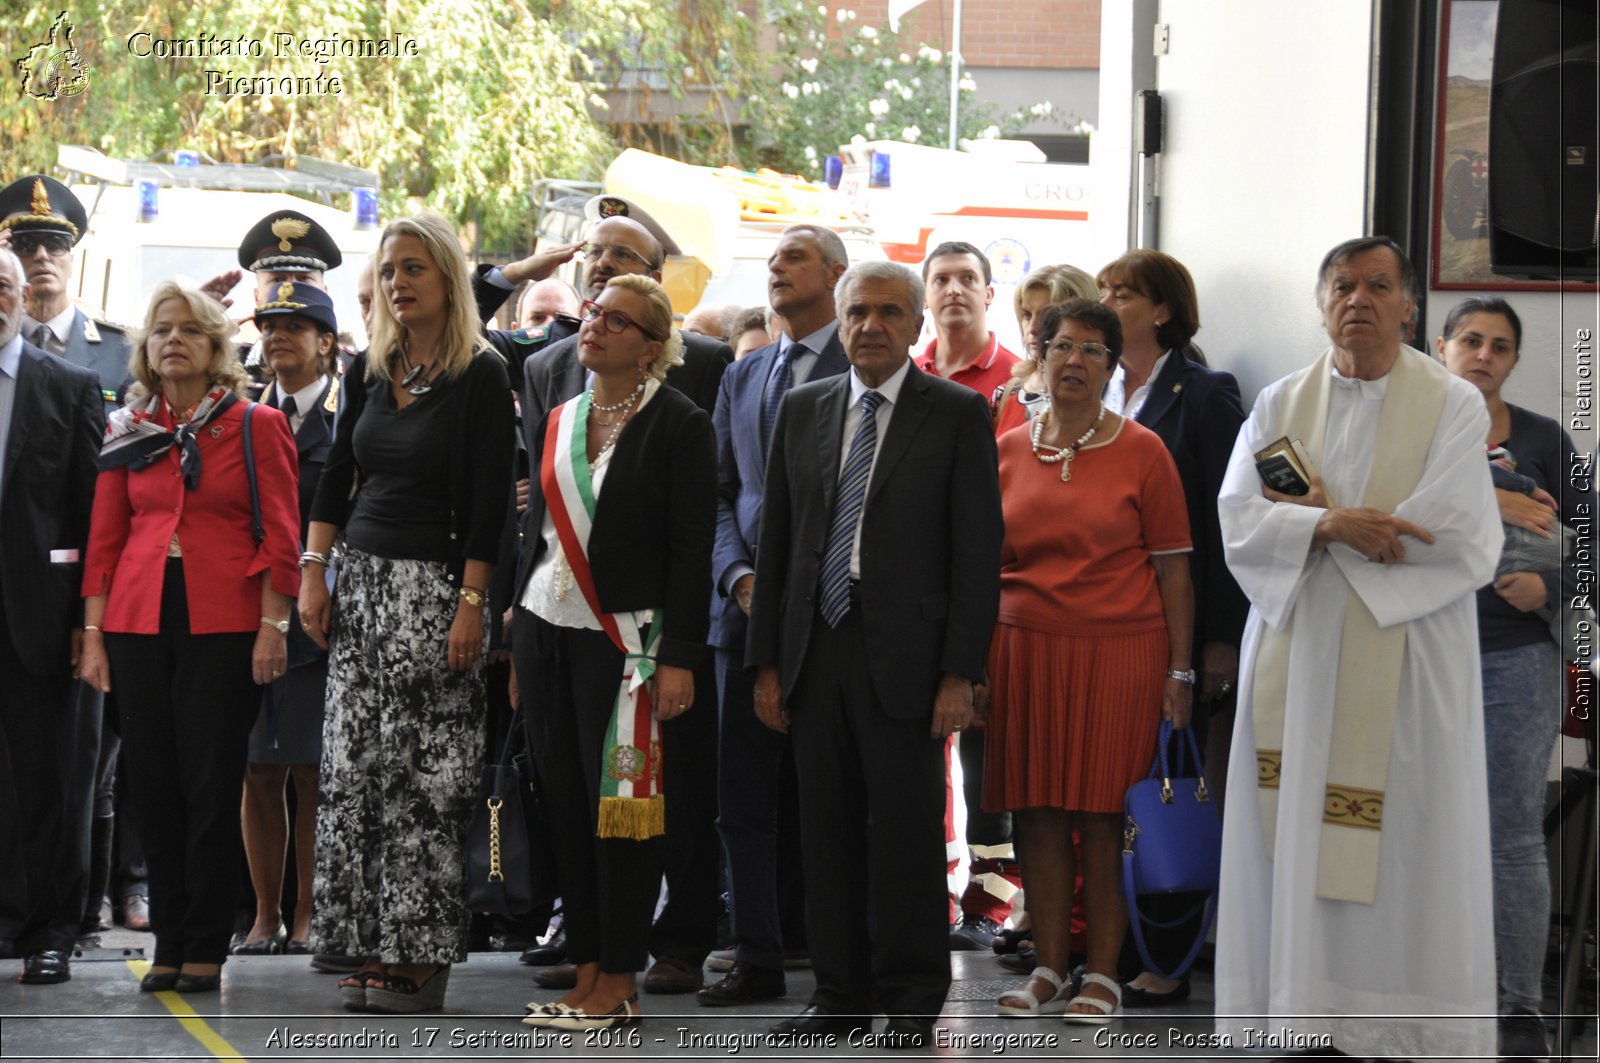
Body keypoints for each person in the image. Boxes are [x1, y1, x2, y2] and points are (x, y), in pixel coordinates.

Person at [1214, 237, 1501, 1060]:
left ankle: (1398, 1018)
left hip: (1403, 650)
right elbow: (1239, 517)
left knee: (1406, 835)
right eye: (1343, 285)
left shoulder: (1451, 404)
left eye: (1379, 285)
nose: (1359, 300)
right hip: (1298, 651)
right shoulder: (1277, 403)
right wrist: (1334, 523)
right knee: (1295, 828)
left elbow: (1454, 534)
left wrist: (1314, 529)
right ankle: (1300, 1006)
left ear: (1409, 304)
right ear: (1321, 301)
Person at [749, 260, 1003, 1048]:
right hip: (816, 647)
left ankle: (911, 999)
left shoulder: (957, 412)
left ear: (916, 325)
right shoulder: (804, 407)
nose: (870, 326)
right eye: (858, 311)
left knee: (904, 835)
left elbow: (977, 550)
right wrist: (768, 664)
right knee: (824, 834)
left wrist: (961, 671)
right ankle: (839, 996)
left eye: (890, 312)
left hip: (912, 656)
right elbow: (781, 542)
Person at [507, 194, 730, 993]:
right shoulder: (562, 411)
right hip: (544, 628)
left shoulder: (678, 421)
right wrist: (514, 632)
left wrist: (678, 657)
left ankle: (623, 975)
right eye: (592, 312)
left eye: (615, 319)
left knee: (623, 811)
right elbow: (533, 530)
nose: (593, 324)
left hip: (627, 641)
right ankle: (591, 961)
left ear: (653, 344)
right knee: (563, 798)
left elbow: (688, 549)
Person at [298, 212, 514, 1014]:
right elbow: (334, 477)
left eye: (414, 268)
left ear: (448, 277)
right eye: (389, 269)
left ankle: (418, 958)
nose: (398, 282)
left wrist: (470, 603)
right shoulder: (371, 365)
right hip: (358, 586)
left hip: (436, 591)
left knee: (426, 780)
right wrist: (314, 572)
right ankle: (363, 941)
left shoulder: (481, 374)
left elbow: (492, 504)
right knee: (355, 775)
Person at [77, 281, 302, 995]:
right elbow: (105, 536)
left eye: (189, 331)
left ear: (216, 349)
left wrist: (274, 625)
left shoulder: (253, 423)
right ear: (145, 349)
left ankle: (206, 940)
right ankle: (168, 941)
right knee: (153, 785)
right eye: (160, 330)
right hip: (138, 622)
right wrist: (92, 633)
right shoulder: (129, 428)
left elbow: (283, 535)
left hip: (225, 622)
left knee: (210, 785)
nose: (171, 340)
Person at [984, 298, 1193, 1023]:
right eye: (1062, 345)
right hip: (1024, 650)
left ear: (1113, 366)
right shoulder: (1007, 445)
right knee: (1036, 813)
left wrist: (1181, 673)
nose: (1075, 360)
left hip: (1121, 655)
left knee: (1105, 818)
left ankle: (1102, 972)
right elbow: (984, 566)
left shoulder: (1144, 450)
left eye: (1094, 350)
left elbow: (1175, 573)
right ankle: (1049, 964)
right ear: (1039, 354)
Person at [701, 224, 849, 1008]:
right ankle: (755, 952)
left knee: (830, 798)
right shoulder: (747, 372)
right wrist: (735, 573)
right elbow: (722, 492)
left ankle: (836, 963)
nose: (777, 268)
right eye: (773, 260)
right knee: (743, 802)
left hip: (835, 620)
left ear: (835, 272)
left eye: (794, 255)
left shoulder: (867, 365)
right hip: (747, 617)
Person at [1095, 249, 1248, 1005]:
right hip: (1105, 625)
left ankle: (1170, 950)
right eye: (1104, 291)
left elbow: (1227, 523)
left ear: (1161, 311)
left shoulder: (1205, 392)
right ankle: (1107, 947)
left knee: (1171, 782)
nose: (1109, 301)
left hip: (1179, 628)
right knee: (1113, 787)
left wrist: (1219, 636)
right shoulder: (1101, 388)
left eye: (1124, 294)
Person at [1437, 296, 1586, 1062]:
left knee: (1512, 838)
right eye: (1470, 339)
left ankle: (1516, 1007)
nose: (1483, 354)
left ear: (1514, 361)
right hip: (1419, 652)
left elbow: (1591, 547)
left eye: (1499, 344)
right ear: (1441, 345)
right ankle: (1424, 989)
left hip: (1515, 657)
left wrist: (1550, 591)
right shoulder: (1416, 432)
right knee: (1422, 827)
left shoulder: (1544, 439)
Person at [0, 248, 104, 984]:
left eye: (0, 285)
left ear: (19, 297)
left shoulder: (68, 385)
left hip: (39, 617)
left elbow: (92, 513)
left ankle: (52, 929)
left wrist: (87, 620)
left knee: (52, 779)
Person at [915, 241, 1022, 951]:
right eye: (941, 280)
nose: (954, 290)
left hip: (990, 590)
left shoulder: (1016, 380)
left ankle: (991, 903)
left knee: (988, 764)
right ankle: (931, 891)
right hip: (912, 594)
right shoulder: (906, 370)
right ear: (926, 296)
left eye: (967, 279)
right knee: (922, 755)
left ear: (989, 294)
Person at [234, 284, 341, 957]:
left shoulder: (348, 412)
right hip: (256, 609)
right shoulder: (244, 415)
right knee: (258, 769)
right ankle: (264, 915)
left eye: (295, 325)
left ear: (326, 341)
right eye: (269, 325)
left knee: (312, 770)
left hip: (323, 607)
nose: (277, 336)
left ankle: (309, 913)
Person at [0, 175, 131, 412]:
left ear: (71, 261)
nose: (42, 256)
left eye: (55, 244)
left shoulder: (122, 351)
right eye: (26, 245)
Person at [993, 264, 1098, 435]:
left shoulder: (1111, 394)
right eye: (1027, 314)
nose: (1032, 328)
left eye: (1046, 316)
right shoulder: (1003, 396)